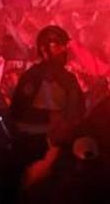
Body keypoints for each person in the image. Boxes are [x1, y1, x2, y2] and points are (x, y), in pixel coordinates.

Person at [10, 25, 85, 164]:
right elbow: (17, 114)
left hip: (63, 148)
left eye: (65, 46)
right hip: (34, 148)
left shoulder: (70, 79)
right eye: (58, 46)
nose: (64, 50)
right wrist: (49, 118)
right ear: (44, 50)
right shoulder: (31, 77)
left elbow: (80, 112)